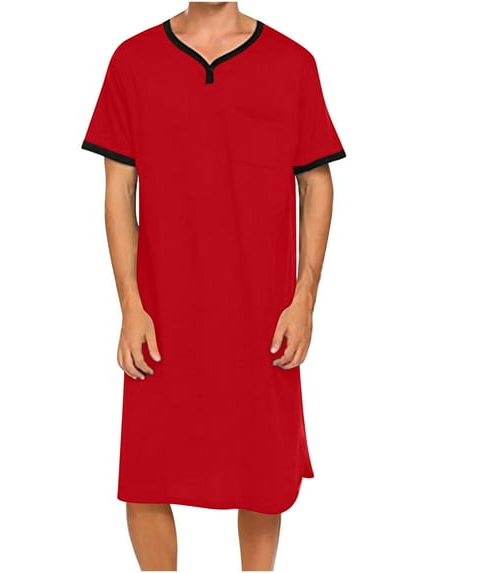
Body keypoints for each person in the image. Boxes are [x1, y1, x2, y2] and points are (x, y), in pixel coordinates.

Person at [80, 2, 346, 570]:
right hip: (162, 311)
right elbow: (118, 191)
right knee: (147, 471)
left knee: (263, 472)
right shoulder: (133, 60)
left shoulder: (292, 63)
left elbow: (316, 182)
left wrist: (304, 298)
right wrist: (130, 305)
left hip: (261, 309)